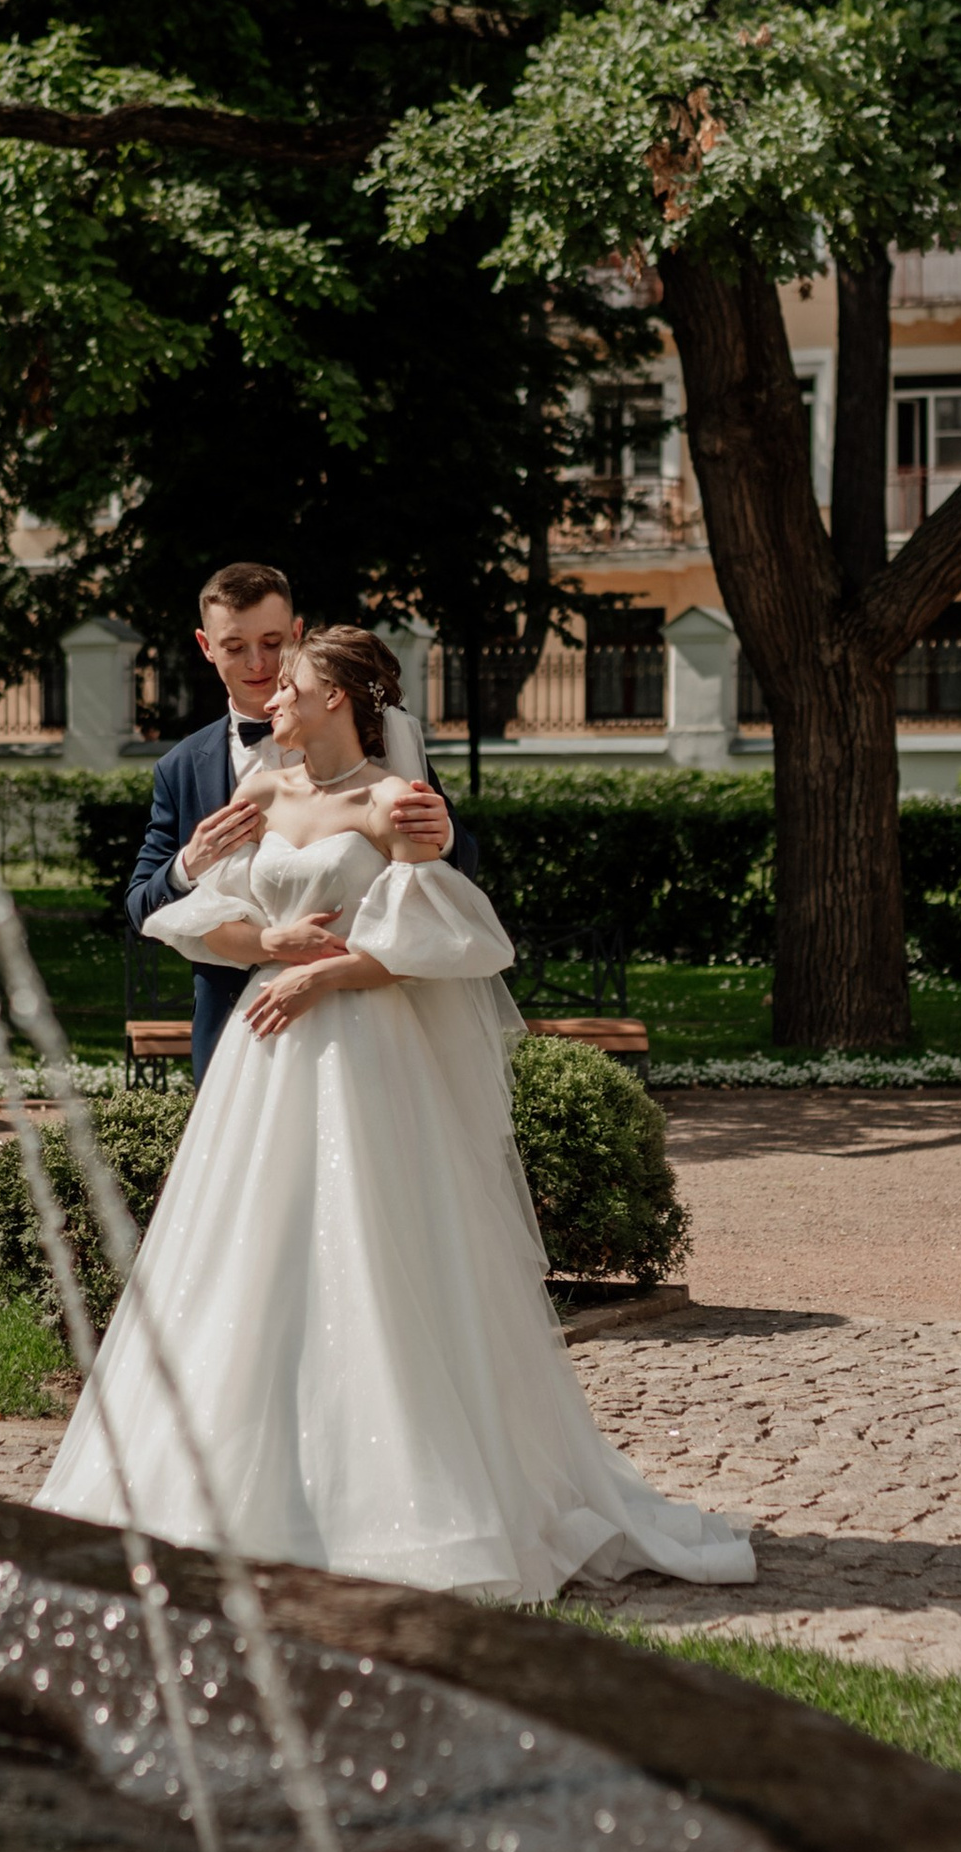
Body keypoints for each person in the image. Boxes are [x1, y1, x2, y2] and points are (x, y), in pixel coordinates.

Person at [39, 626, 756, 1600]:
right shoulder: (260, 792)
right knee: (247, 1254)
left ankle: (402, 1500)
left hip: (365, 1051)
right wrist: (274, 939)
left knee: (371, 1250)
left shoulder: (393, 802)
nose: (269, 700)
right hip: (265, 1054)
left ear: (337, 696)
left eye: (287, 685)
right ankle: (224, 1494)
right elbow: (197, 918)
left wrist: (326, 970)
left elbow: (448, 933)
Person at [123, 562, 465, 1084]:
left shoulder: (381, 745)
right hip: (238, 1025)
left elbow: (450, 881)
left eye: (273, 642)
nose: (257, 663)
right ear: (206, 645)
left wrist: (445, 837)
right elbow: (140, 905)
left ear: (299, 633)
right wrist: (189, 864)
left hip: (368, 1025)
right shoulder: (181, 768)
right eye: (235, 646)